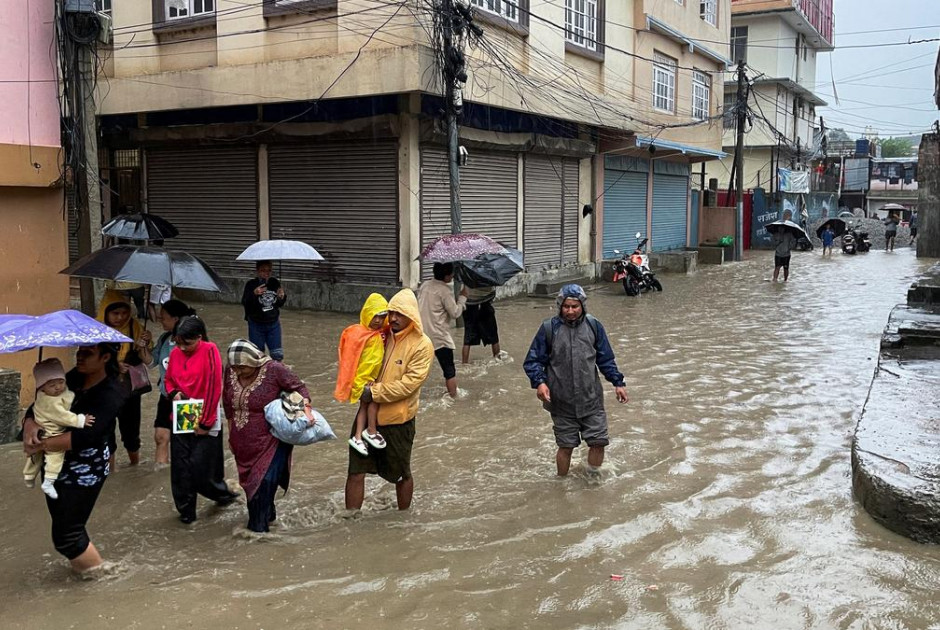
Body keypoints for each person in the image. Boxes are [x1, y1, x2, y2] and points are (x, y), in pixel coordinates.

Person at [21, 343, 128, 573]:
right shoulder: (72, 378)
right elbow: (38, 405)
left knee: (67, 535)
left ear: (105, 357)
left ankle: (105, 575)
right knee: (63, 523)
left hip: (86, 470)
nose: (79, 356)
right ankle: (84, 572)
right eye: (79, 351)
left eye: (87, 353)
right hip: (55, 462)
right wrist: (30, 424)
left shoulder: (112, 392)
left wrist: (41, 445)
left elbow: (86, 436)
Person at [523, 284, 628, 477]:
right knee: (566, 446)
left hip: (591, 399)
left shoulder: (594, 326)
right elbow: (533, 361)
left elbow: (605, 359)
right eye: (566, 307)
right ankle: (561, 484)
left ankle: (593, 478)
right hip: (561, 401)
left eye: (575, 306)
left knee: (598, 442)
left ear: (583, 306)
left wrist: (618, 383)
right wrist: (540, 382)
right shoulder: (549, 329)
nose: (570, 311)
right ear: (560, 306)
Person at [344, 289, 433, 512]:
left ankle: (403, 519)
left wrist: (373, 393)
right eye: (391, 312)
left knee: (402, 473)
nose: (392, 318)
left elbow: (410, 384)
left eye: (399, 314)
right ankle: (350, 520)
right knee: (355, 471)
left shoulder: (422, 345)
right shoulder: (379, 335)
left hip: (398, 420)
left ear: (411, 315)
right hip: (366, 419)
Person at [223, 340, 311, 533]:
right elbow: (228, 404)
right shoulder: (230, 371)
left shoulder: (274, 369)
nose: (237, 372)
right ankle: (268, 518)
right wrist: (231, 435)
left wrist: (306, 411)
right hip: (243, 443)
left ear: (254, 361)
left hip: (271, 440)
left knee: (262, 485)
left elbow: (300, 388)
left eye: (242, 368)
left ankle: (257, 533)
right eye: (234, 368)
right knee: (251, 487)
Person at [164, 316, 238, 524]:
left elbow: (215, 387)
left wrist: (205, 423)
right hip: (181, 413)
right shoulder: (176, 353)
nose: (182, 347)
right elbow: (168, 380)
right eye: (178, 342)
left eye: (187, 343)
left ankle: (221, 494)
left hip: (206, 415)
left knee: (201, 467)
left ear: (199, 337)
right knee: (180, 468)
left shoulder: (210, 350)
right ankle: (186, 512)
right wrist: (174, 393)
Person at [23, 359, 95, 500]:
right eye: (52, 385)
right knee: (55, 457)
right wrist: (80, 420)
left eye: (61, 382)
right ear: (41, 387)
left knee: (35, 457)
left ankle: (29, 476)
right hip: (51, 433)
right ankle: (48, 482)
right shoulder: (49, 402)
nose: (58, 387)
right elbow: (63, 416)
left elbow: (66, 396)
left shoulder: (46, 395)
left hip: (40, 430)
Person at [97, 290, 152, 466]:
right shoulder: (95, 331)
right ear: (105, 312)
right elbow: (88, 361)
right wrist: (114, 365)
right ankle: (110, 469)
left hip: (129, 389)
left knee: (131, 430)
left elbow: (147, 356)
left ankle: (134, 466)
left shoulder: (134, 326)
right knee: (106, 430)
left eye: (124, 312)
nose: (120, 317)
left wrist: (145, 341)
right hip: (105, 389)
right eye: (115, 313)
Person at [334, 293, 389, 456]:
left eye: (382, 316)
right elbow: (351, 360)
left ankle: (359, 436)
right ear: (366, 314)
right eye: (375, 316)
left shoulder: (380, 333)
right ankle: (369, 432)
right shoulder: (359, 333)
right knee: (370, 404)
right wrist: (364, 380)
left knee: (364, 407)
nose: (378, 320)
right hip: (364, 380)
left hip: (370, 379)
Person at [150, 299, 196, 466]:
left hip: (186, 400)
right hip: (166, 396)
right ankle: (160, 474)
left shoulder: (193, 341)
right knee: (160, 437)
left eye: (163, 317)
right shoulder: (164, 339)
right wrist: (142, 346)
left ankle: (186, 476)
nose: (160, 320)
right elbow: (150, 362)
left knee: (185, 442)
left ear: (176, 319)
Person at [417, 262, 468, 398]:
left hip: (421, 335)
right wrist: (462, 298)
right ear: (446, 276)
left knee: (417, 370)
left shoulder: (424, 285)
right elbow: (455, 313)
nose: (452, 276)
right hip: (439, 337)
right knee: (449, 371)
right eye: (451, 274)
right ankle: (454, 397)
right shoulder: (445, 291)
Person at [241, 260, 287, 361]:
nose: (266, 273)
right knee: (257, 356)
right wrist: (254, 293)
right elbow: (245, 302)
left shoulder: (274, 283)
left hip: (273, 324)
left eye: (269, 270)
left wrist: (281, 297)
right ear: (257, 271)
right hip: (256, 325)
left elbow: (279, 304)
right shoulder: (251, 284)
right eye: (263, 270)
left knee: (277, 355)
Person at [462, 285, 503, 364]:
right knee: (494, 337)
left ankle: (464, 364)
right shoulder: (488, 276)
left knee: (467, 338)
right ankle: (498, 360)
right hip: (485, 305)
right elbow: (492, 294)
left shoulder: (468, 274)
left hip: (470, 305)